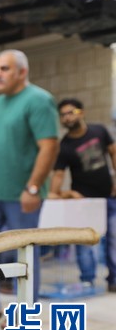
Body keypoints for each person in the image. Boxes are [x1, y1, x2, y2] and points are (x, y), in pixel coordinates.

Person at [0, 49, 59, 311]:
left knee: (25, 253)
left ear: (22, 72)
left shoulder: (38, 100)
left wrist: (34, 187)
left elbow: (49, 146)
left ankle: (26, 310)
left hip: (21, 195)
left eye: (4, 69)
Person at [49, 98, 116, 292]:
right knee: (85, 244)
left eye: (71, 112)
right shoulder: (64, 146)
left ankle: (114, 280)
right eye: (63, 115)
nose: (67, 117)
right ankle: (87, 281)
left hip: (109, 197)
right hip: (84, 203)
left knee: (114, 240)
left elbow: (113, 152)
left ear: (82, 112)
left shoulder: (99, 131)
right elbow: (58, 177)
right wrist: (66, 193)